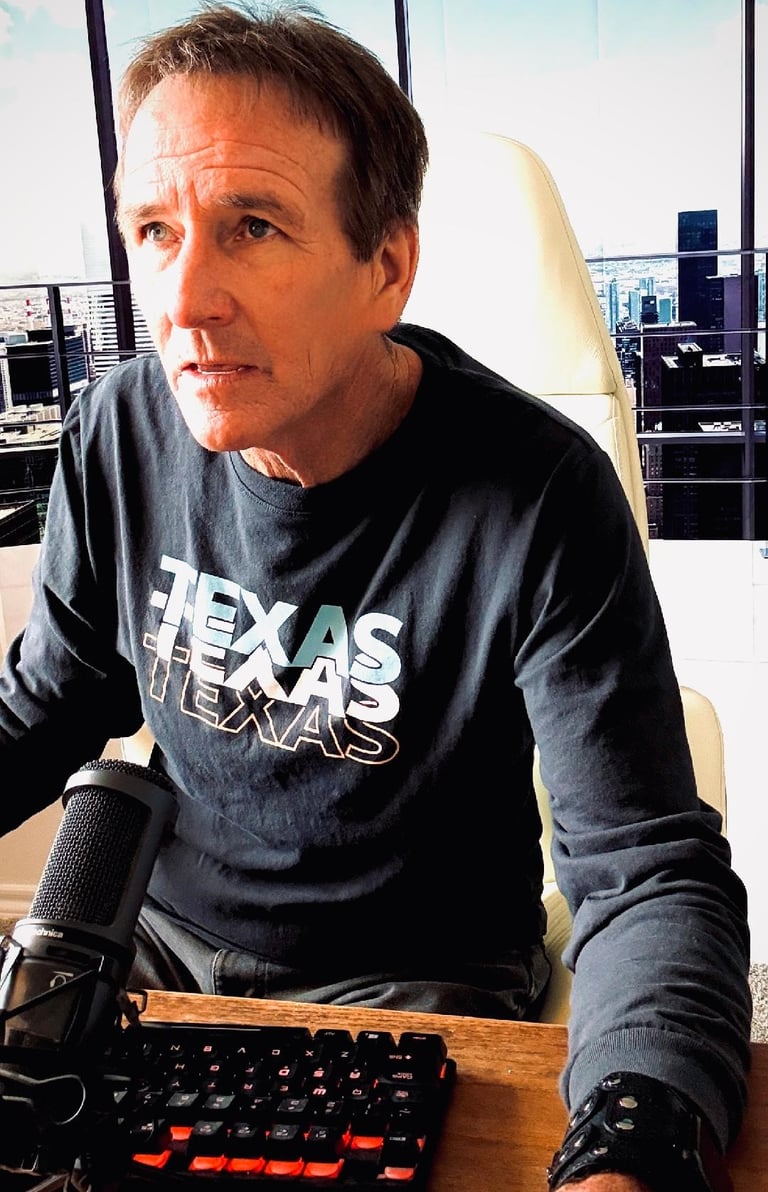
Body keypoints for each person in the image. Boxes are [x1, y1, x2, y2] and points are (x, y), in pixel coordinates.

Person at [0, 2, 752, 1188]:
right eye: (153, 229)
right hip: (151, 957)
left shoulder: (539, 495)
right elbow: (50, 698)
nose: (185, 298)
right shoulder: (116, 433)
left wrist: (637, 1137)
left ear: (385, 266)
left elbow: (644, 866)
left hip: (417, 986)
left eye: (251, 227)